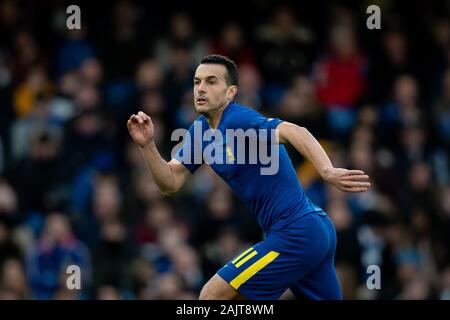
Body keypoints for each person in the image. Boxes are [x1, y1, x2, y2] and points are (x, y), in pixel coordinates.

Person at [127, 54, 370, 300]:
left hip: (296, 231)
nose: (200, 88)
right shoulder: (199, 131)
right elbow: (170, 183)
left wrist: (327, 170)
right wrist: (147, 145)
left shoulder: (237, 119)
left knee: (211, 296)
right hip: (311, 230)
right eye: (196, 81)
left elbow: (296, 131)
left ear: (231, 92)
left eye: (211, 82)